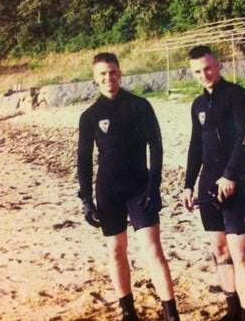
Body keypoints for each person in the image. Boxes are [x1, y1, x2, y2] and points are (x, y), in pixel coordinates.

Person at [77, 52, 179, 321]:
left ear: (119, 73)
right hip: (108, 192)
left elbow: (156, 147)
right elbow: (84, 161)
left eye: (112, 72)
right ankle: (128, 312)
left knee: (153, 249)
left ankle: (171, 314)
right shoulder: (89, 116)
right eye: (102, 74)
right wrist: (86, 199)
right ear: (94, 78)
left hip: (140, 189)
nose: (108, 78)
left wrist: (154, 187)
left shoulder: (140, 105)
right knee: (116, 251)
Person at [181, 46, 245, 321]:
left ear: (218, 65)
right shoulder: (198, 105)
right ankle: (233, 311)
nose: (204, 74)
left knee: (241, 253)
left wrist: (229, 174)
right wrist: (188, 185)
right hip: (208, 184)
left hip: (238, 182)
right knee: (220, 249)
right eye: (197, 71)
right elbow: (195, 146)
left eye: (208, 68)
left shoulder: (238, 95)